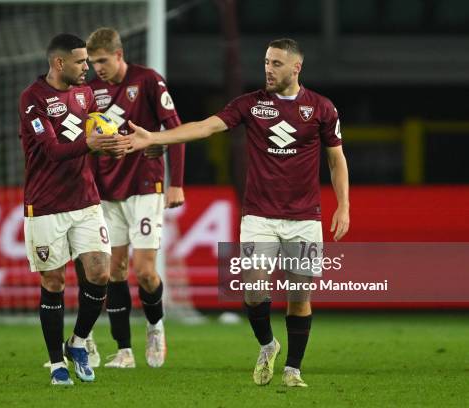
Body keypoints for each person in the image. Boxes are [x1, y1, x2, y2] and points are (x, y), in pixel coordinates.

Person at [128, 38, 350, 387]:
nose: (268, 69)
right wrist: (156, 139)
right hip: (259, 216)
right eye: (266, 62)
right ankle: (267, 344)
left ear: (296, 68)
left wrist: (344, 207)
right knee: (253, 290)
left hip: (306, 218)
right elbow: (204, 127)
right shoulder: (250, 105)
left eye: (277, 63)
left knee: (299, 297)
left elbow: (336, 160)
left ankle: (293, 369)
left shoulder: (322, 108)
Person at [19, 33, 130, 386]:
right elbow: (52, 150)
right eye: (81, 61)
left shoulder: (85, 94)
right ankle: (56, 364)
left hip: (85, 199)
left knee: (100, 272)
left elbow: (93, 130)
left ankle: (78, 342)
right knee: (53, 282)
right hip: (46, 204)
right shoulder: (32, 99)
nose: (88, 67)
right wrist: (90, 143)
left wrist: (111, 144)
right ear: (59, 63)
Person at [84, 27, 186, 369]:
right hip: (107, 191)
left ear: (118, 55)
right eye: (92, 62)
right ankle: (124, 351)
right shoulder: (89, 91)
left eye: (102, 60)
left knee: (144, 271)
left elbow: (175, 131)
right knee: (114, 269)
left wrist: (177, 184)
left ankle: (155, 327)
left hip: (145, 186)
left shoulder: (147, 81)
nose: (97, 67)